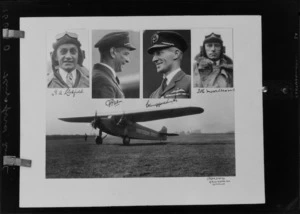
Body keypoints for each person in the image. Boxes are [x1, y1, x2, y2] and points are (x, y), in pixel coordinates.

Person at [147, 31, 191, 99]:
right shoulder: (153, 95)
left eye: (159, 53)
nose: (154, 59)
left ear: (176, 54)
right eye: (153, 55)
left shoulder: (190, 83)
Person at [92, 31, 136, 98]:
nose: (128, 60)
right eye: (125, 54)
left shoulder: (103, 77)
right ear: (113, 52)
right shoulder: (103, 81)